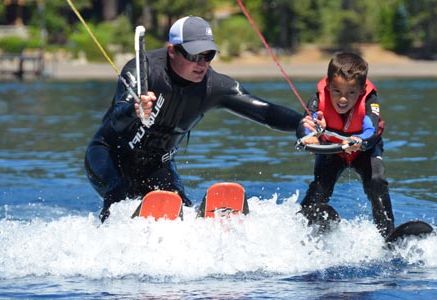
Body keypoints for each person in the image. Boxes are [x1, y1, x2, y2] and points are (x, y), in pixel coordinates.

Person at [84, 16, 303, 222]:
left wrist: (303, 124)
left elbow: (265, 112)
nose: (202, 64)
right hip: (110, 154)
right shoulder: (143, 70)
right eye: (194, 56)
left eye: (208, 56)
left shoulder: (213, 87)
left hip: (157, 165)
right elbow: (116, 120)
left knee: (180, 205)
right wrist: (135, 110)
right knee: (119, 192)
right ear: (172, 51)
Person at [296, 52, 394, 237]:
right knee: (320, 187)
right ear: (328, 86)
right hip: (333, 151)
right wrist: (309, 137)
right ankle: (300, 228)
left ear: (362, 89)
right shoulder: (317, 99)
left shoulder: (370, 101)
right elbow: (304, 124)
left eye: (351, 93)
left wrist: (359, 141)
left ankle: (388, 235)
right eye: (337, 91)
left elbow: (371, 130)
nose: (343, 99)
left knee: (377, 183)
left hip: (364, 151)